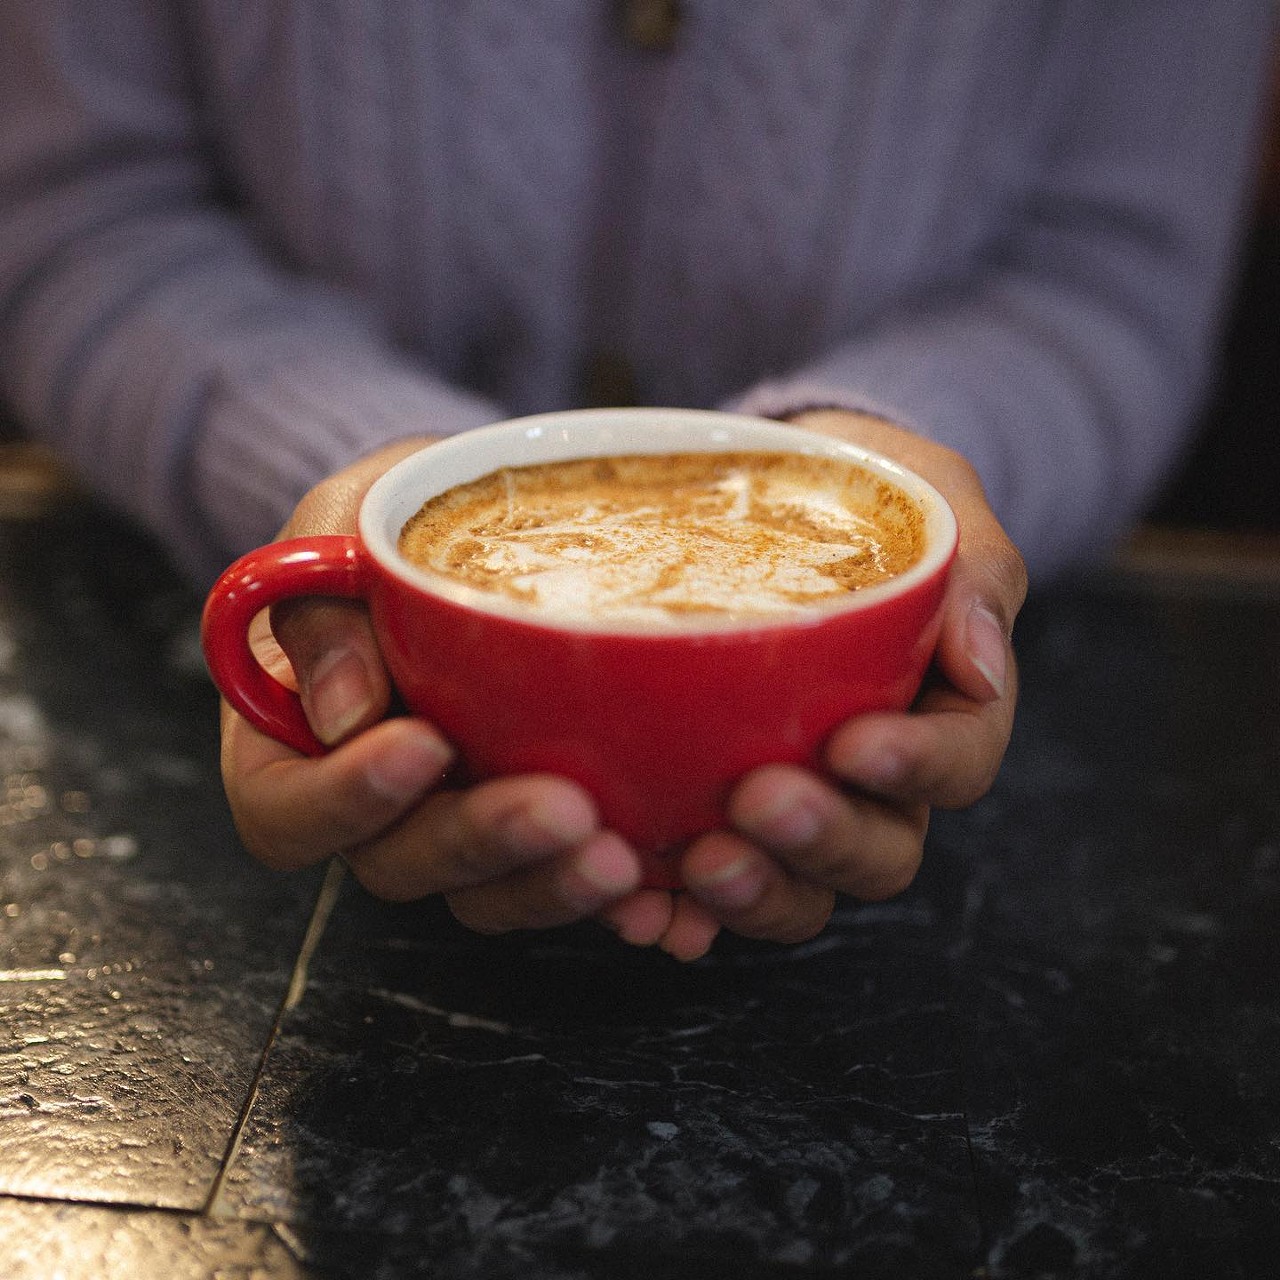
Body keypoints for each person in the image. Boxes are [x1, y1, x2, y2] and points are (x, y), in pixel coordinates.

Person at [0, 3, 1273, 960]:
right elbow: (78, 217)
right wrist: (369, 488)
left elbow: (1110, 275)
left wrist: (897, 452)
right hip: (181, 871)